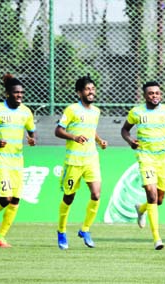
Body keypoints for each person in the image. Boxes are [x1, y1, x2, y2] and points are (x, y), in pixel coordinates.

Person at [121, 81, 165, 250]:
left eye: (157, 93)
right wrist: (130, 141)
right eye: (151, 93)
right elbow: (124, 130)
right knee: (151, 194)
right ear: (145, 95)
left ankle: (141, 209)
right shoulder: (136, 112)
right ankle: (157, 238)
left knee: (160, 200)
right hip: (145, 157)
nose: (154, 96)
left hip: (162, 159)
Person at [0, 74, 36, 248]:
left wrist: (32, 139)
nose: (19, 95)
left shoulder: (26, 112)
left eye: (21, 93)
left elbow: (32, 131)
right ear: (8, 94)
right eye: (16, 92)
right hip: (1, 160)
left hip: (17, 162)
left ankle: (0, 238)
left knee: (16, 200)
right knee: (5, 198)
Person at [55, 75, 108, 250]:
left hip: (91, 159)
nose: (91, 91)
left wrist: (99, 140)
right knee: (69, 197)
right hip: (74, 161)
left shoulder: (96, 111)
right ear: (79, 92)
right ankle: (61, 231)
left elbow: (91, 130)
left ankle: (85, 229)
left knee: (96, 194)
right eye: (87, 89)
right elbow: (58, 131)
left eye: (93, 88)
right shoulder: (71, 110)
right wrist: (74, 137)